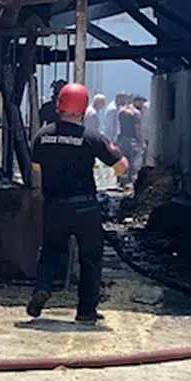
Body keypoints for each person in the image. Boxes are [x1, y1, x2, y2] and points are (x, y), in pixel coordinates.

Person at [26, 83, 129, 324]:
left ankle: (43, 288)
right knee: (90, 258)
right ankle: (86, 312)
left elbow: (36, 167)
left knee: (50, 251)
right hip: (85, 208)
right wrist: (117, 152)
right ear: (83, 108)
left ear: (59, 105)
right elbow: (121, 168)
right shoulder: (91, 138)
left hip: (54, 206)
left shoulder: (43, 135)